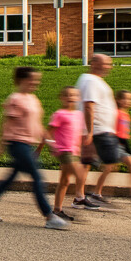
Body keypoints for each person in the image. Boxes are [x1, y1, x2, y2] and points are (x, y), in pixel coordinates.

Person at [0, 67, 70, 230]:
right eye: (32, 80)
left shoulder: (33, 99)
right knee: (37, 177)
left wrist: (49, 141)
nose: (35, 83)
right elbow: (7, 123)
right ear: (22, 80)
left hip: (28, 144)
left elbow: (37, 124)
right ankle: (49, 216)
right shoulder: (15, 99)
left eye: (37, 80)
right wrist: (0, 145)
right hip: (17, 144)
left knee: (10, 178)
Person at [75, 54, 131, 207]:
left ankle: (82, 196)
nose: (109, 66)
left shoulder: (94, 81)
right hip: (98, 130)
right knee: (110, 162)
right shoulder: (90, 81)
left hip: (99, 130)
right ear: (94, 64)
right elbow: (89, 106)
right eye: (106, 64)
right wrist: (89, 132)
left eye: (109, 64)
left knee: (88, 163)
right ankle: (93, 194)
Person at [45, 86, 87, 221]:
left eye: (73, 95)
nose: (70, 97)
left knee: (65, 181)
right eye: (67, 95)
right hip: (64, 151)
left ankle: (57, 210)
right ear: (61, 98)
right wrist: (51, 145)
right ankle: (81, 198)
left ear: (78, 98)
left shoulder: (79, 115)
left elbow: (78, 134)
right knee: (80, 175)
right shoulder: (59, 114)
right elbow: (48, 133)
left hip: (74, 151)